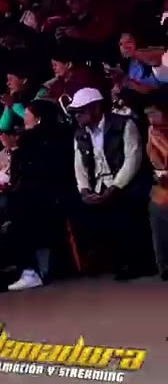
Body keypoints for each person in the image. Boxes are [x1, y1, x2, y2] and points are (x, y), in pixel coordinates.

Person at [70, 87, 156, 280]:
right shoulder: (80, 133)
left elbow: (132, 159)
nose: (78, 116)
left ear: (96, 108)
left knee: (125, 210)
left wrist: (115, 188)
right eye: (76, 112)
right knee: (86, 212)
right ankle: (108, 261)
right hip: (99, 184)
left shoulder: (124, 124)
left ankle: (138, 263)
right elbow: (80, 166)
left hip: (127, 183)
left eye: (81, 111)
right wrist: (84, 190)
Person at [141, 92, 168, 280]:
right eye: (147, 114)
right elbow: (156, 162)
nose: (150, 118)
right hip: (166, 184)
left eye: (154, 113)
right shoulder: (152, 132)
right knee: (156, 203)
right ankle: (164, 266)